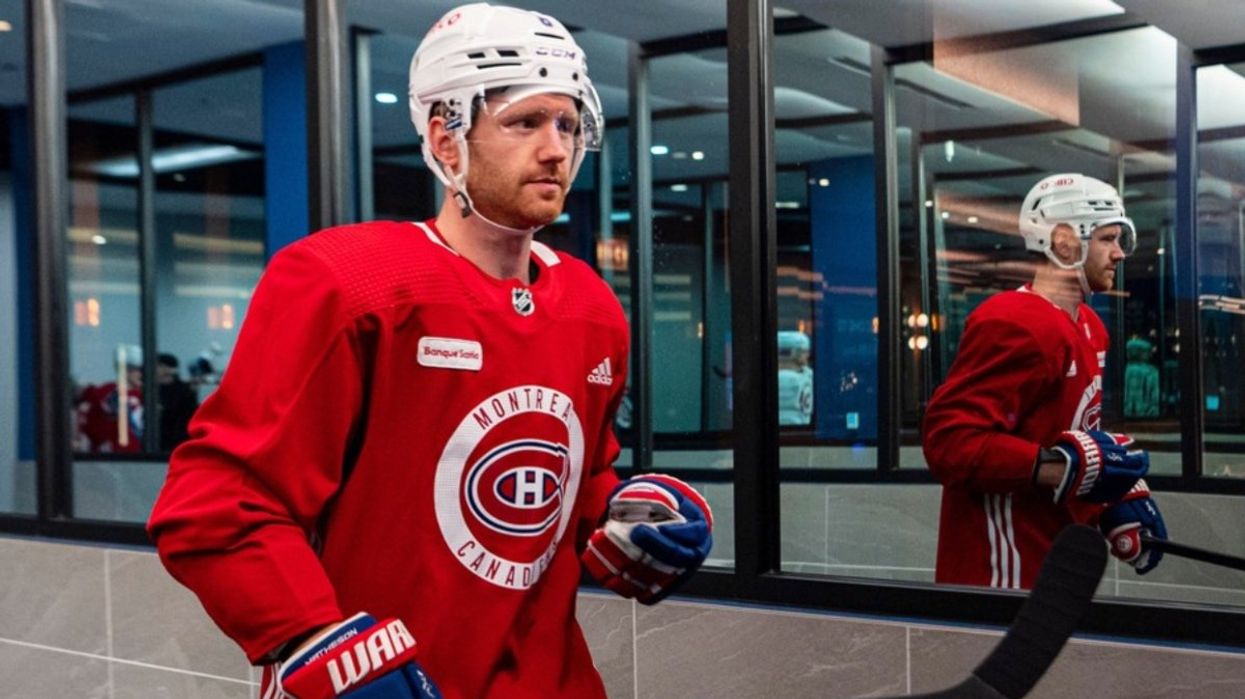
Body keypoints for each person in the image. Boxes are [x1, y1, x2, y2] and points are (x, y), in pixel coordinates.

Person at [146, 5, 713, 699]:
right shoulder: (347, 282)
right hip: (394, 683)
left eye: (567, 124)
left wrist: (629, 515)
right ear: (446, 140)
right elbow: (221, 500)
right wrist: (310, 636)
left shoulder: (591, 307)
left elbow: (567, 481)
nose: (555, 149)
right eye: (524, 122)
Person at [922, 173, 1167, 590]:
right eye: (1108, 238)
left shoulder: (1089, 326)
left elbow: (1068, 436)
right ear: (1064, 242)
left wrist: (1107, 500)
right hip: (1002, 570)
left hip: (1053, 558)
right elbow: (949, 441)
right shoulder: (1016, 322)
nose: (1119, 254)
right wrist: (1058, 468)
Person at [75, 344, 144, 453]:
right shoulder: (104, 395)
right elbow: (92, 429)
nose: (142, 374)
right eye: (137, 369)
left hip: (141, 460)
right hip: (113, 459)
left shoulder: (147, 396)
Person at [155, 353, 199, 450]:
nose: (165, 370)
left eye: (169, 366)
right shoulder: (149, 391)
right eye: (161, 366)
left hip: (179, 441)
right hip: (155, 442)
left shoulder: (185, 391)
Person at [777, 330, 814, 426]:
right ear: (794, 353)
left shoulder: (809, 376)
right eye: (804, 352)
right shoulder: (809, 377)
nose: (808, 355)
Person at [1123, 337, 1160, 419]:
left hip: (1128, 414)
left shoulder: (1125, 370)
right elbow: (1155, 398)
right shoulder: (1152, 372)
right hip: (1147, 415)